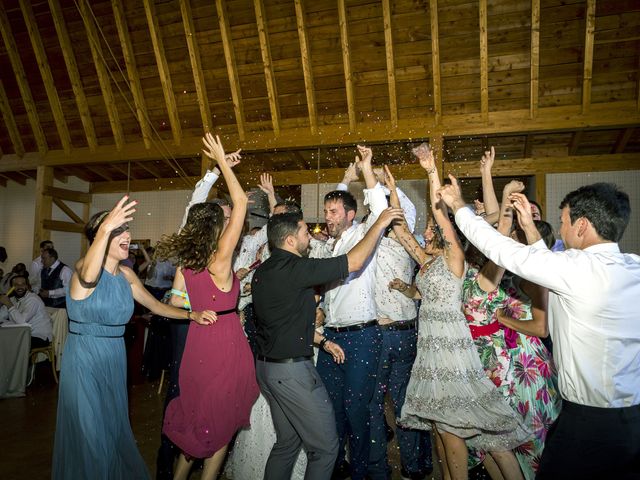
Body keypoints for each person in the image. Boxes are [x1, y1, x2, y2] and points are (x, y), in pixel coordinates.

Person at [437, 180, 640, 479]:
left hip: (589, 421)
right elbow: (543, 261)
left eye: (563, 222)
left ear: (581, 225)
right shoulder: (633, 266)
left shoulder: (573, 268)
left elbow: (501, 249)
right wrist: (530, 228)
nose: (561, 230)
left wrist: (457, 206)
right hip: (633, 419)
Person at [385, 150, 528, 480]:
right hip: (430, 348)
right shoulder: (425, 260)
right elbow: (402, 229)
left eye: (434, 230)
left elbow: (444, 217)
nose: (430, 232)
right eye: (431, 230)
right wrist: (390, 190)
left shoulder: (455, 260)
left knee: (455, 427)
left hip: (453, 347)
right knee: (446, 429)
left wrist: (432, 171)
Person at [51, 198, 217, 480]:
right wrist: (106, 228)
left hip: (115, 356)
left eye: (127, 229)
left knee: (111, 430)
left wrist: (191, 314)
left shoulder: (126, 275)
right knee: (90, 434)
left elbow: (155, 306)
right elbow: (91, 277)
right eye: (120, 230)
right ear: (101, 236)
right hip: (84, 359)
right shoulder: (82, 268)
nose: (127, 235)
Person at [252, 204, 404, 480]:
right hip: (292, 372)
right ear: (289, 240)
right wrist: (379, 224)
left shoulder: (264, 271)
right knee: (325, 448)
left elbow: (284, 322)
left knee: (287, 444)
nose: (309, 236)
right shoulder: (296, 268)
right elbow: (355, 262)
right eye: (304, 232)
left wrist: (323, 343)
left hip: (267, 370)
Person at [157, 134, 259, 480]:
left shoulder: (189, 259)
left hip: (198, 343)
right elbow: (242, 202)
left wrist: (216, 168)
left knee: (195, 424)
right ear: (217, 227)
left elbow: (177, 297)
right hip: (224, 346)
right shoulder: (220, 258)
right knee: (220, 428)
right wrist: (220, 164)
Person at [312, 145, 388, 480]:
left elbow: (381, 209)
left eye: (332, 212)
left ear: (349, 216)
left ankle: (363, 472)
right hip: (330, 339)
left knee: (358, 412)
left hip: (362, 337)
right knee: (331, 411)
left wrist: (367, 171)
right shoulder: (329, 244)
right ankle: (336, 467)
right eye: (325, 211)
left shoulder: (362, 235)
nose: (326, 217)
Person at [0, 274, 53, 348]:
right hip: (21, 335)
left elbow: (22, 321)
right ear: (10, 288)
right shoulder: (12, 299)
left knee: (9, 343)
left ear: (27, 286)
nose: (20, 287)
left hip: (39, 336)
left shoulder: (33, 299)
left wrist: (8, 304)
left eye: (23, 284)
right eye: (16, 285)